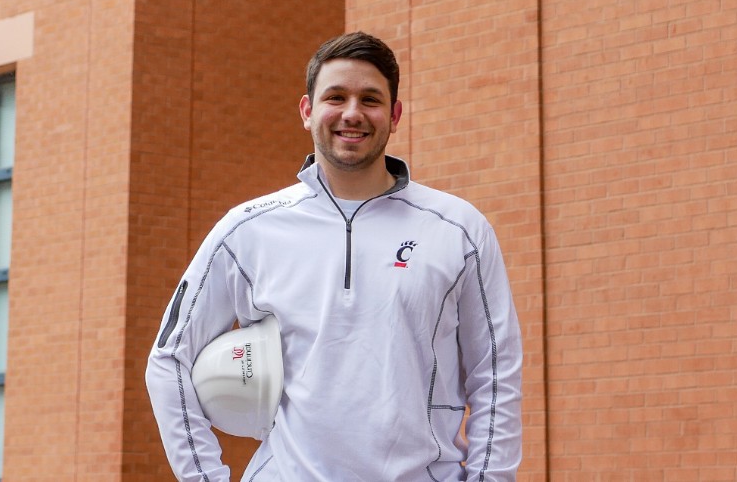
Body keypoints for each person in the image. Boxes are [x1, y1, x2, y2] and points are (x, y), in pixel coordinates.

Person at [145, 31, 523, 481]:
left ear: (395, 115)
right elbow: (169, 359)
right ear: (307, 111)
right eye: (335, 97)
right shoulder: (247, 230)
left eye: (370, 99)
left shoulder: (458, 229)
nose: (351, 113)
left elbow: (496, 375)